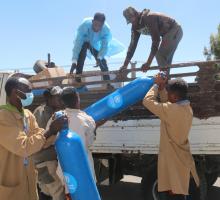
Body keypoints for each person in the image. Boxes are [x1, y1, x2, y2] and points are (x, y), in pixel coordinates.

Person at [0, 77, 66, 200]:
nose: (31, 94)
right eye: (28, 90)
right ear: (16, 92)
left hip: (28, 180)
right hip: (11, 185)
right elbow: (24, 146)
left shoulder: (27, 115)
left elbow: (41, 141)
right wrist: (50, 131)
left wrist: (55, 131)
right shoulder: (3, 117)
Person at [142, 74, 199, 199]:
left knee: (173, 193)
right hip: (180, 158)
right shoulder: (186, 108)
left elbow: (147, 101)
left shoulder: (171, 110)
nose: (167, 95)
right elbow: (167, 103)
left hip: (173, 160)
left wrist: (156, 84)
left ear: (174, 96)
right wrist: (162, 89)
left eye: (168, 93)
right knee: (179, 190)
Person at [121, 7, 183, 73]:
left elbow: (156, 40)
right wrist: (125, 65)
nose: (132, 23)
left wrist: (148, 63)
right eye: (130, 22)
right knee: (164, 62)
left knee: (160, 55)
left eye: (132, 20)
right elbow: (132, 46)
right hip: (166, 35)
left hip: (174, 30)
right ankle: (166, 80)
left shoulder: (149, 17)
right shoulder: (135, 27)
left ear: (136, 15)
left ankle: (164, 79)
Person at [70, 12, 124, 87]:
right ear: (92, 21)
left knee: (102, 61)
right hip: (84, 41)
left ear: (103, 25)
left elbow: (104, 46)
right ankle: (78, 79)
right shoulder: (84, 25)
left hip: (95, 44)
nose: (97, 28)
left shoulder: (106, 30)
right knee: (81, 54)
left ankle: (108, 83)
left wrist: (99, 57)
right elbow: (77, 44)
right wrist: (74, 60)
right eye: (95, 24)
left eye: (100, 26)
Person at [33, 86, 66, 200]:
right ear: (48, 98)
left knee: (46, 192)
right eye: (58, 98)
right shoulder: (43, 113)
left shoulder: (50, 111)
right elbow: (43, 139)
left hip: (42, 161)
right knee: (58, 192)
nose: (61, 101)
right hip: (45, 161)